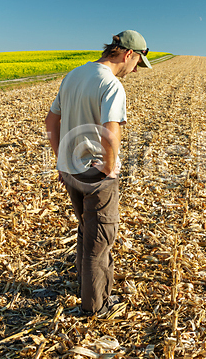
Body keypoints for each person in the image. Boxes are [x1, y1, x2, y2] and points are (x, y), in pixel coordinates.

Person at [45, 30, 151, 316]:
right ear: (128, 54)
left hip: (71, 171)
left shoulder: (74, 76)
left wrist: (61, 160)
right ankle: (96, 306)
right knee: (100, 241)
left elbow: (51, 120)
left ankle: (85, 285)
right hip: (95, 173)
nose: (136, 70)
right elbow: (111, 131)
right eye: (138, 62)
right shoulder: (111, 85)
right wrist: (108, 167)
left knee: (85, 230)